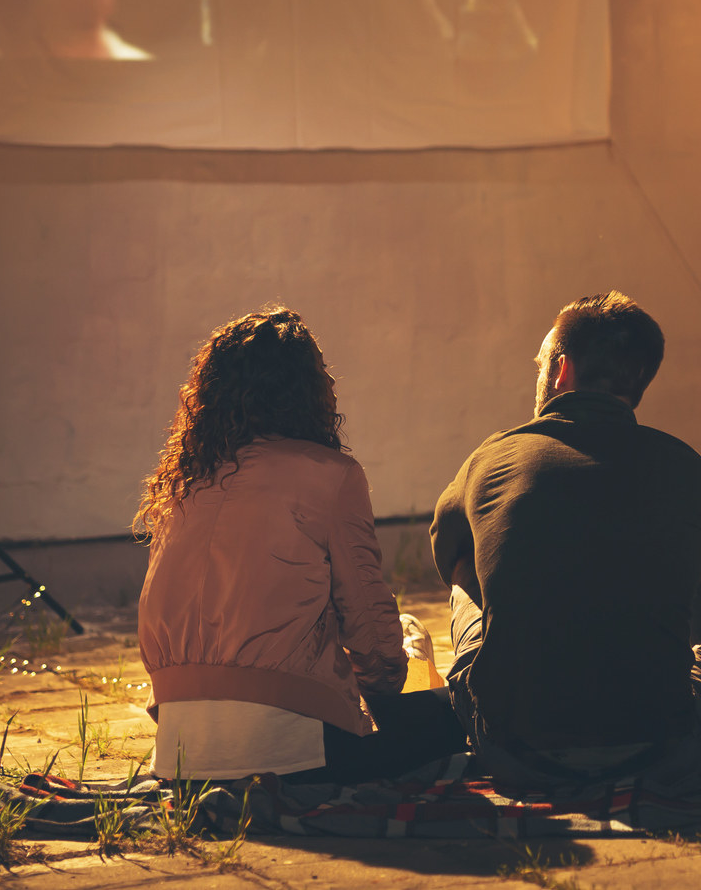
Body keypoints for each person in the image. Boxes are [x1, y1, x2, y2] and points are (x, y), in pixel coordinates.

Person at [430, 292, 701, 787]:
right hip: (665, 749)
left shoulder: (491, 458)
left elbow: (443, 549)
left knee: (465, 567)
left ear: (561, 371)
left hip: (511, 748)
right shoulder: (693, 471)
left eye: (540, 363)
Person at [136, 309, 462, 784]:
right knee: (441, 702)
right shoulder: (331, 475)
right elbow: (370, 627)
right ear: (312, 390)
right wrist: (388, 692)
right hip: (296, 754)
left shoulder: (184, 484)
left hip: (179, 752)